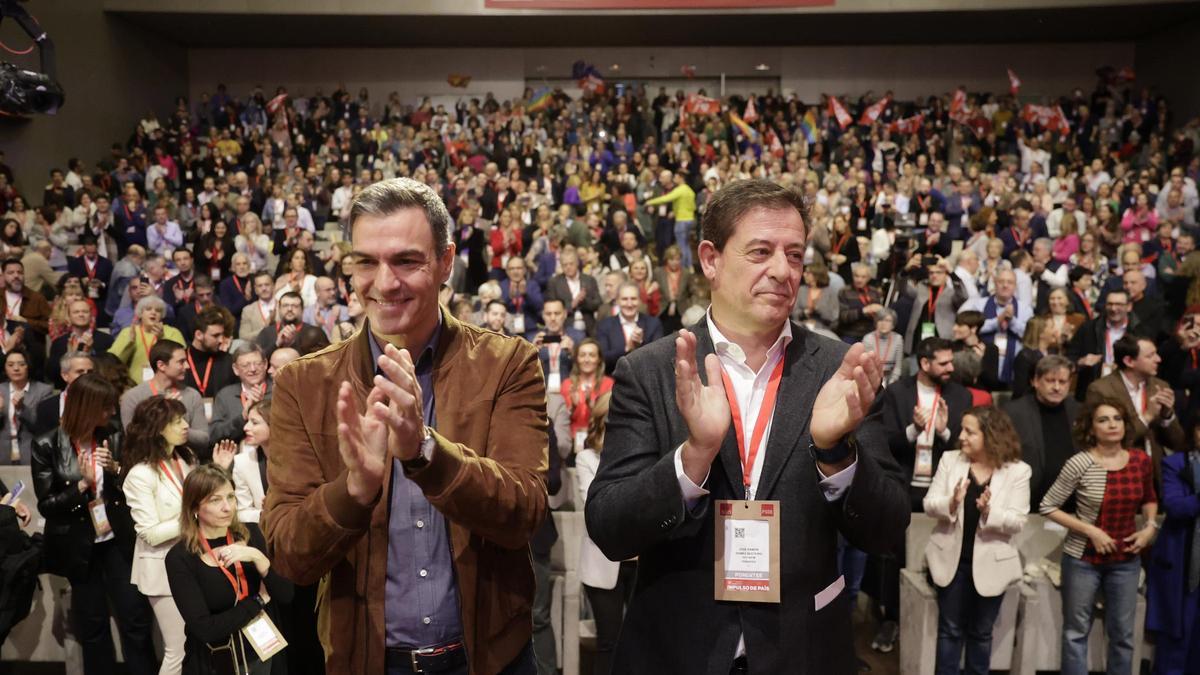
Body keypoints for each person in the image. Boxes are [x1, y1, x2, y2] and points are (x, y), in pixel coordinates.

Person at [584, 178, 909, 673]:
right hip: (677, 652)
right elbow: (610, 529)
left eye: (795, 255)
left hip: (805, 651)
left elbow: (887, 530)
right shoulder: (650, 371)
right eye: (761, 251)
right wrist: (693, 458)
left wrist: (835, 453)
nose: (782, 270)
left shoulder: (843, 370)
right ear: (710, 259)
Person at [263, 177, 548, 674]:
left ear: (445, 262)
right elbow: (290, 556)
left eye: (406, 260)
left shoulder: (509, 363)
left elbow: (525, 511)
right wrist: (353, 491)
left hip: (491, 659)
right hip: (368, 661)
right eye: (366, 262)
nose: (385, 282)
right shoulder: (301, 385)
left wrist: (424, 453)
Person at [31, 373, 157, 674]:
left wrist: (116, 469)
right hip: (78, 546)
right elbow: (47, 506)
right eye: (105, 407)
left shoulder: (113, 433)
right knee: (93, 625)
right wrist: (81, 487)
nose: (112, 413)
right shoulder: (47, 444)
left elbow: (132, 481)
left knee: (135, 619)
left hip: (116, 541)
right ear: (86, 407)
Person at [1040, 395, 1160, 675]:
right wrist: (1091, 530)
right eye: (1103, 420)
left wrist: (1150, 527)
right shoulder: (1080, 463)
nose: (1112, 425)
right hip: (1083, 558)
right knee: (1076, 632)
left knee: (1122, 635)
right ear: (1091, 428)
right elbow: (1048, 505)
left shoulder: (1140, 460)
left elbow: (1150, 498)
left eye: (1117, 419)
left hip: (1127, 559)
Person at [124, 396, 236, 675]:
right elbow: (149, 532)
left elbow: (203, 499)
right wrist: (193, 516)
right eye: (177, 421)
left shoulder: (184, 460)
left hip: (191, 562)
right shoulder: (140, 474)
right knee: (177, 649)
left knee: (194, 646)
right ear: (157, 428)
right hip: (162, 570)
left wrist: (220, 470)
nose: (187, 425)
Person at [923, 406, 1031, 675]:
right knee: (949, 631)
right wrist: (952, 501)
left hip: (992, 565)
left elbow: (1018, 521)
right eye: (962, 430)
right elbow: (928, 504)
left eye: (970, 432)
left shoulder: (1018, 471)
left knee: (981, 633)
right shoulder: (951, 460)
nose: (962, 436)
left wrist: (989, 512)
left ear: (991, 435)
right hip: (952, 562)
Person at [165, 464, 293, 675]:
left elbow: (286, 594)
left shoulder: (252, 534)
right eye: (216, 500)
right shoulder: (181, 557)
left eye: (231, 497)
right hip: (217, 661)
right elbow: (206, 629)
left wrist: (257, 556)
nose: (228, 507)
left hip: (265, 654)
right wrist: (258, 602)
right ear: (195, 508)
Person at [575, 392, 635, 675]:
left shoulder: (644, 454)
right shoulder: (586, 458)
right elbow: (595, 506)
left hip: (641, 560)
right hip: (602, 565)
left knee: (643, 640)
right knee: (609, 643)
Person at [1086, 334, 1184, 488]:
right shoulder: (1102, 390)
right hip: (1118, 476)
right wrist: (1148, 416)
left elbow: (1178, 443)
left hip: (1155, 476)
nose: (1158, 359)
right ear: (1129, 361)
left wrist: (1167, 416)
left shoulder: (1160, 386)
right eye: (1150, 355)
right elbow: (1106, 441)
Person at [1004, 355, 1082, 510]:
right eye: (1050, 380)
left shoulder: (1080, 411)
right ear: (1035, 381)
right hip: (1029, 500)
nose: (1057, 387)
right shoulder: (1013, 412)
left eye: (1062, 382)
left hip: (1074, 501)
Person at [120, 340, 212, 458]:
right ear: (161, 365)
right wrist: (164, 418)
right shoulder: (133, 397)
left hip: (184, 464)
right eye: (181, 362)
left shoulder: (192, 395)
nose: (187, 366)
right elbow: (132, 439)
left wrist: (179, 429)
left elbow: (203, 439)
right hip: (147, 463)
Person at [109, 295, 186, 385]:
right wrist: (130, 343)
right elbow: (113, 361)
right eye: (148, 309)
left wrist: (161, 338)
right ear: (140, 313)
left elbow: (180, 361)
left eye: (158, 310)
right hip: (135, 386)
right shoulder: (129, 331)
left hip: (167, 385)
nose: (153, 313)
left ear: (162, 315)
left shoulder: (173, 332)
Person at [595, 281, 664, 374]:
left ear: (640, 301)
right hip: (615, 380)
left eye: (633, 299)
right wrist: (627, 348)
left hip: (646, 379)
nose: (629, 304)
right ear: (617, 301)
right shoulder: (605, 325)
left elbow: (658, 357)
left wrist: (640, 344)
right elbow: (602, 358)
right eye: (624, 299)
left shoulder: (653, 324)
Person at [210, 344, 270, 446]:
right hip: (235, 456)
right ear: (236, 369)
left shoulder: (279, 391)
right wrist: (242, 417)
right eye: (245, 365)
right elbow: (214, 435)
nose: (253, 369)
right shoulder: (225, 395)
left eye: (257, 363)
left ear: (265, 364)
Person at [1, 349, 53, 464]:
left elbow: (42, 426)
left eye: (21, 364)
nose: (16, 368)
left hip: (30, 452)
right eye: (10, 365)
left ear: (28, 366)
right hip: (3, 453)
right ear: (5, 368)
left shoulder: (43, 391)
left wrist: (21, 408)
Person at [47, 298, 114, 387]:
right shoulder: (59, 342)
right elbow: (52, 374)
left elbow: (110, 371)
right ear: (69, 317)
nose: (81, 314)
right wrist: (69, 355)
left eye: (85, 312)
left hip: (97, 389)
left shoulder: (106, 339)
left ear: (91, 315)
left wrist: (91, 352)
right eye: (76, 312)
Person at [560, 338, 613, 443]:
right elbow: (561, 420)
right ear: (577, 359)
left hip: (599, 440)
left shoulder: (608, 384)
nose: (587, 360)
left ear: (599, 360)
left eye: (592, 355)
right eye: (582, 355)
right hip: (571, 440)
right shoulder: (567, 384)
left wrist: (594, 407)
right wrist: (573, 408)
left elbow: (610, 419)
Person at [29, 350, 93, 436]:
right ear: (65, 375)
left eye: (90, 372)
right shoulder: (47, 407)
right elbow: (42, 443)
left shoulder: (103, 403)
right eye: (80, 372)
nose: (86, 376)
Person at [183, 306, 236, 399]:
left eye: (222, 335)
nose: (220, 340)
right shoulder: (181, 360)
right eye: (215, 336)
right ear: (199, 335)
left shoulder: (228, 361)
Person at [254, 291, 325, 360]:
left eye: (295, 306)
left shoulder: (315, 333)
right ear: (279, 309)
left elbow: (319, 363)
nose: (289, 309)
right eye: (285, 305)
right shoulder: (267, 332)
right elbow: (259, 361)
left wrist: (293, 343)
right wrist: (276, 344)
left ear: (302, 310)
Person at [862, 308, 903, 387]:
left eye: (887, 321)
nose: (883, 324)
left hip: (890, 379)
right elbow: (866, 365)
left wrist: (891, 383)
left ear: (893, 324)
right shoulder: (868, 338)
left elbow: (898, 367)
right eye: (880, 320)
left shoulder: (898, 339)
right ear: (876, 323)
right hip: (871, 377)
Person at [238, 272, 276, 341]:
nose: (264, 288)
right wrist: (264, 329)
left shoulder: (284, 305)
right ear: (255, 290)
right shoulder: (247, 310)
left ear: (273, 286)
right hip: (257, 349)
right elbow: (243, 336)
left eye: (267, 284)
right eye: (260, 286)